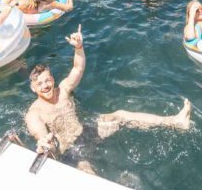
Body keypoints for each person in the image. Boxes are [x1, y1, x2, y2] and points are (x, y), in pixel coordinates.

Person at [24, 26, 192, 173]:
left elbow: (78, 68)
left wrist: (79, 48)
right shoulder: (34, 114)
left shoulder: (63, 90)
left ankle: (175, 121)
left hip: (87, 133)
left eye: (47, 80)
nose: (45, 85)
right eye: (40, 83)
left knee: (120, 115)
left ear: (52, 79)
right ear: (33, 88)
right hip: (71, 153)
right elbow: (41, 136)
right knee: (87, 172)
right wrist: (45, 144)